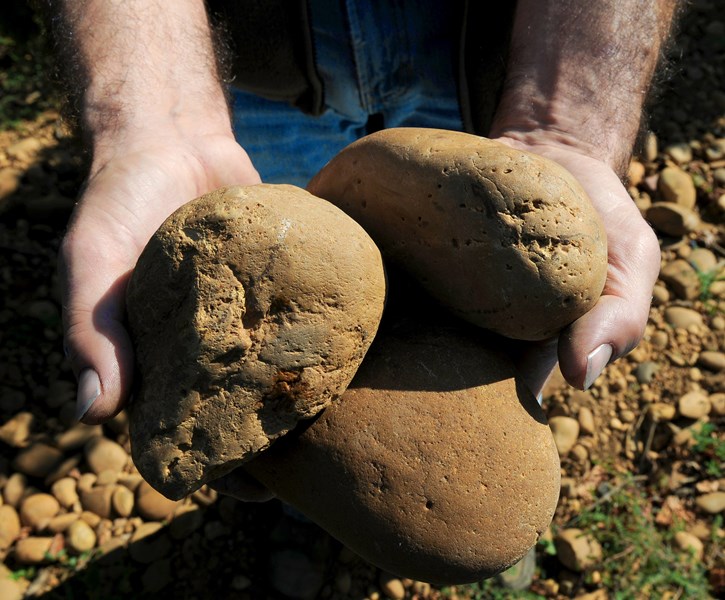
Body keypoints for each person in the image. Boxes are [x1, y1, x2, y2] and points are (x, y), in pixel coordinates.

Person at [48, 0, 677, 425]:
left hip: (510, 45)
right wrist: (157, 115)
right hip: (235, 51)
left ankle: (449, 474)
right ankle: (335, 476)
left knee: (476, 353)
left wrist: (570, 117)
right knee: (290, 333)